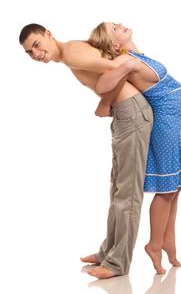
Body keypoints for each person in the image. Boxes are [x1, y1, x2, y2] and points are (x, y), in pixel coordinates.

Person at [19, 23, 153, 279]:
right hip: (125, 114)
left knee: (128, 193)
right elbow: (114, 66)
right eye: (29, 52)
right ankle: (108, 252)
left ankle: (117, 264)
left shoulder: (71, 52)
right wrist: (107, 102)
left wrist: (104, 102)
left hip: (132, 112)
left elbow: (121, 66)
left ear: (48, 34)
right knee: (117, 189)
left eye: (36, 45)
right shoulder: (71, 53)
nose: (35, 53)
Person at [82, 22, 181, 274]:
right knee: (166, 188)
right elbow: (107, 84)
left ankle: (168, 240)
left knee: (175, 186)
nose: (120, 25)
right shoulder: (125, 62)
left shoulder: (135, 56)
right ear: (114, 44)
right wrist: (105, 102)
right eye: (115, 29)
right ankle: (154, 244)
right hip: (168, 122)